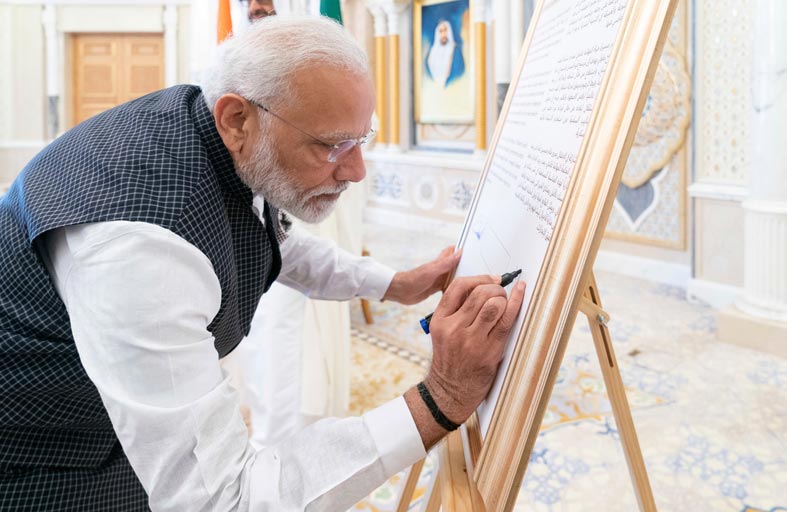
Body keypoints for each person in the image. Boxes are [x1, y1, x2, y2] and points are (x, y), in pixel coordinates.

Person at [0, 15, 525, 511]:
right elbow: (224, 499)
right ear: (237, 120)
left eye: (360, 140)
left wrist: (396, 284)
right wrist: (439, 400)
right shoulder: (139, 254)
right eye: (332, 145)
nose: (357, 170)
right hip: (45, 468)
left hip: (114, 435)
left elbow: (273, 239)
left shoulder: (215, 134)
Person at [425, 19, 466, 88]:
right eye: (441, 31)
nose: (443, 34)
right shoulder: (431, 54)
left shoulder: (455, 51)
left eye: (445, 30)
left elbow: (459, 72)